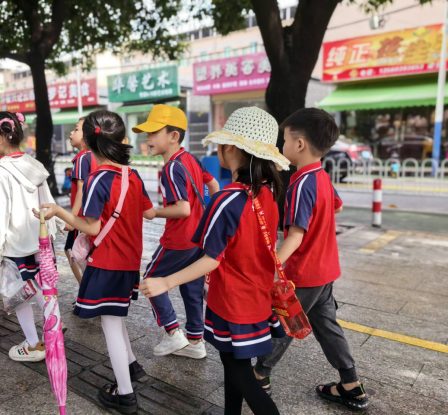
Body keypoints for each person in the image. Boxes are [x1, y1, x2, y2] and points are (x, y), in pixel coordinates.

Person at [140, 107, 290, 415]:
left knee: (240, 374)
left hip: (232, 302)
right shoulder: (267, 194)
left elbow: (211, 259)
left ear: (231, 148)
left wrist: (166, 281)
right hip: (257, 298)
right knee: (234, 365)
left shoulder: (228, 199)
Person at [35, 110, 156, 414]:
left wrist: (58, 212)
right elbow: (148, 213)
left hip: (107, 261)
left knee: (110, 323)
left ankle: (125, 395)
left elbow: (90, 226)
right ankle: (132, 366)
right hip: (129, 260)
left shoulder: (97, 178)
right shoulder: (133, 174)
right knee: (114, 316)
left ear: (89, 143)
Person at [254, 108, 369, 412]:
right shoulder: (320, 176)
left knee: (283, 323)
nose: (283, 146)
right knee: (327, 326)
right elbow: (337, 207)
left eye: (285, 140)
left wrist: (267, 267)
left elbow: (295, 236)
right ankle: (350, 383)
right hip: (326, 269)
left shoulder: (300, 183)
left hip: (303, 274)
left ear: (300, 144)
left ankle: (260, 375)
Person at [133, 104, 219, 359]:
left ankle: (173, 333)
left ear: (174, 136)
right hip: (198, 237)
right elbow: (212, 183)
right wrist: (210, 215)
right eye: (146, 133)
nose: (147, 138)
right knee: (191, 289)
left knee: (149, 280)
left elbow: (182, 209)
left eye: (153, 132)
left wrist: (153, 213)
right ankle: (195, 341)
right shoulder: (190, 159)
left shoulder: (170, 167)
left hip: (179, 239)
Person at [0, 111, 65, 363]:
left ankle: (33, 344)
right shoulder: (34, 164)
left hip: (15, 245)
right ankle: (55, 327)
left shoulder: (0, 172)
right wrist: (59, 223)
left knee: (19, 295)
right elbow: (47, 200)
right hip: (41, 240)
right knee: (42, 286)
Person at [64, 117, 99, 290]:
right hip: (92, 215)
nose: (72, 132)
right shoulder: (95, 157)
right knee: (84, 252)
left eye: (76, 129)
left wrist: (72, 218)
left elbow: (80, 189)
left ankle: (85, 288)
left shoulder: (81, 159)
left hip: (81, 216)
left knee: (72, 251)